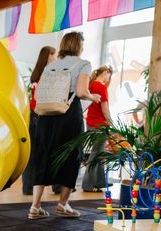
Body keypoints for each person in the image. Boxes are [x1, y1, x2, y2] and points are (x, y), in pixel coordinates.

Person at [28, 31, 101, 219]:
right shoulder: (83, 64)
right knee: (71, 155)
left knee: (43, 154)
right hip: (68, 114)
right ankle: (62, 204)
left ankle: (35, 207)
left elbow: (40, 93)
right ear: (79, 46)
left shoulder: (51, 65)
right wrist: (94, 97)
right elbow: (81, 91)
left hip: (46, 115)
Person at [22, 45, 61, 195]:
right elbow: (41, 96)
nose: (56, 58)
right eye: (54, 55)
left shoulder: (36, 73)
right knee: (52, 151)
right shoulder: (48, 73)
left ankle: (28, 186)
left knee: (33, 153)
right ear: (49, 56)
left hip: (33, 114)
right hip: (43, 115)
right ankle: (57, 186)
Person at [82, 66, 113, 192]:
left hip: (90, 123)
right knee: (96, 154)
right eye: (109, 75)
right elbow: (105, 109)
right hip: (100, 124)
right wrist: (112, 123)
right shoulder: (101, 87)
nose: (109, 78)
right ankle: (88, 184)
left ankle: (100, 182)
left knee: (99, 154)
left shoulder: (91, 85)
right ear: (105, 73)